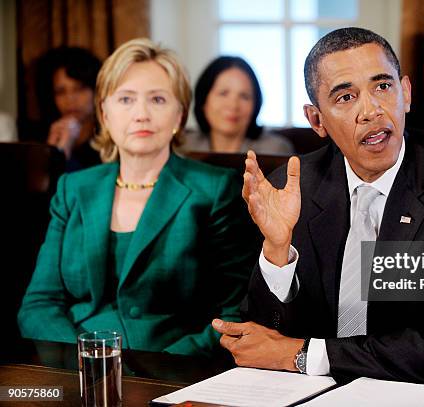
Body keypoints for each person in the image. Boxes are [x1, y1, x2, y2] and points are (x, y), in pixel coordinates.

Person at [212, 27, 424, 390]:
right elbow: (262, 338)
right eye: (346, 97)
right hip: (329, 392)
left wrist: (302, 354)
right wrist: (277, 251)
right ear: (317, 121)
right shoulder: (296, 184)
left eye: (383, 87)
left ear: (406, 93)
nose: (372, 110)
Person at [18, 38, 257, 356]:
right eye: (126, 99)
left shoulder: (216, 189)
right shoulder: (72, 189)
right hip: (77, 371)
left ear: (179, 115)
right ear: (104, 113)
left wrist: (157, 371)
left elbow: (234, 315)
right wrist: (87, 364)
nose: (141, 114)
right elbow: (39, 305)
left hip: (173, 376)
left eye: (158, 100)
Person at [184, 56, 294, 155]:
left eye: (244, 96)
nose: (233, 105)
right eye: (223, 93)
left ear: (256, 104)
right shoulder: (183, 146)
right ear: (203, 100)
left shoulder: (275, 150)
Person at [34, 47, 103, 170]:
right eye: (60, 92)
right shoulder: (40, 137)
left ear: (96, 91)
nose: (70, 99)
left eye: (79, 89)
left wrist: (63, 156)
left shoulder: (109, 142)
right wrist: (50, 151)